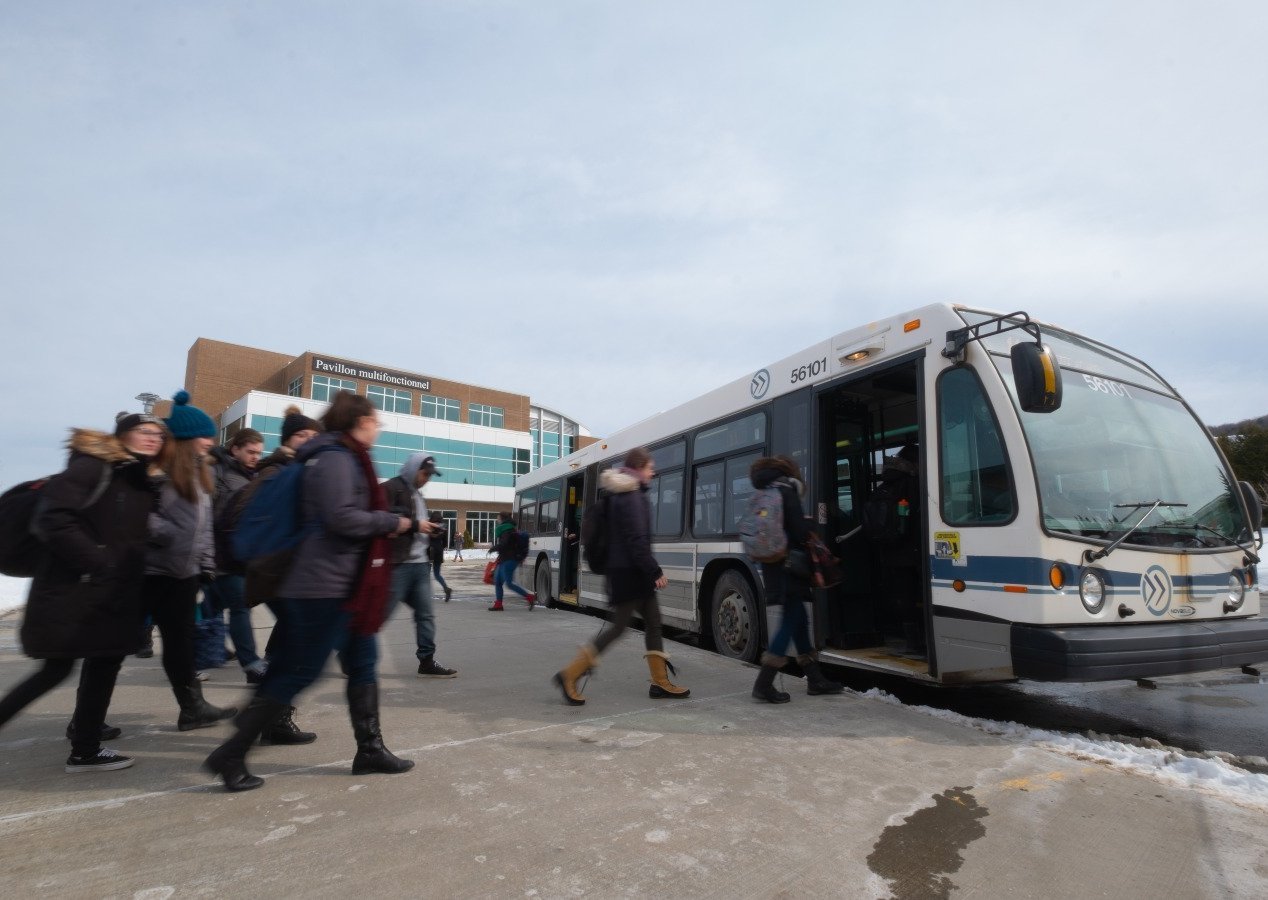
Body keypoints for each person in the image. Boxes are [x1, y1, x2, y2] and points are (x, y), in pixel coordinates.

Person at [204, 391, 415, 792]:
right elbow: (340, 518)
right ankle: (231, 752)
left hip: (344, 585)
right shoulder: (335, 458)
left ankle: (370, 748)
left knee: (364, 661)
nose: (378, 427)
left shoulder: (340, 456)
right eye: (375, 420)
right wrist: (390, 523)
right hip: (324, 586)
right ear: (359, 421)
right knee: (300, 671)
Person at [0, 411, 163, 772]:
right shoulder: (93, 467)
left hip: (106, 595)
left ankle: (86, 748)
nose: (152, 437)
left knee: (104, 663)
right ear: (122, 436)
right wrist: (100, 561)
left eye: (158, 433)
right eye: (143, 431)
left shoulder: (135, 479)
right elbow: (53, 518)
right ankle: (85, 748)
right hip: (74, 591)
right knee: (56, 669)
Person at [553, 447, 688, 705]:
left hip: (628, 572)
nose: (653, 471)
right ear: (638, 470)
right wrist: (655, 570)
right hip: (630, 574)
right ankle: (569, 675)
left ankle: (660, 682)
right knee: (618, 627)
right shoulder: (632, 498)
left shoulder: (622, 495)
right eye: (650, 467)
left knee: (654, 622)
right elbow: (636, 541)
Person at [144, 391, 239, 730]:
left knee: (179, 643)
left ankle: (192, 707)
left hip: (184, 573)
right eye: (204, 434)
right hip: (155, 571)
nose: (210, 440)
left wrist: (207, 564)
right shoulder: (157, 473)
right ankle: (85, 726)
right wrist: (168, 535)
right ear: (185, 438)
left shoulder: (201, 473)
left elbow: (204, 528)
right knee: (114, 649)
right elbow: (140, 518)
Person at [239, 405, 323, 745]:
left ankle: (270, 718)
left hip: (291, 573)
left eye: (314, 436)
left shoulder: (297, 469)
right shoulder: (275, 472)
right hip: (279, 573)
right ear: (288, 440)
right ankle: (264, 718)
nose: (309, 441)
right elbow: (250, 516)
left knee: (290, 646)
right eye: (302, 435)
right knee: (296, 649)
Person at [749, 455, 844, 702]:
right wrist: (808, 526)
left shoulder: (763, 493)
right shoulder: (786, 490)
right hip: (791, 568)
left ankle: (815, 679)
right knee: (792, 620)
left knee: (799, 619)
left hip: (774, 566)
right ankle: (764, 683)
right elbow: (800, 533)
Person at [383, 454, 457, 678]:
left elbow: (418, 527)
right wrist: (415, 525)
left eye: (430, 476)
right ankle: (349, 653)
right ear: (413, 469)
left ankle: (426, 661)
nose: (427, 479)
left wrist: (431, 529)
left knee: (425, 615)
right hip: (398, 565)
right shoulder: (390, 488)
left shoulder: (419, 497)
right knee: (379, 614)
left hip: (420, 565)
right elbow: (378, 520)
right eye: (424, 474)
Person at [203, 428, 266, 682]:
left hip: (237, 555)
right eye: (250, 452)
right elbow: (207, 514)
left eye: (259, 453)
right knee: (240, 607)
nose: (255, 457)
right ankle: (251, 664)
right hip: (222, 555)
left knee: (210, 609)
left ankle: (196, 654)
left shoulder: (249, 476)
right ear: (235, 449)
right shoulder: (218, 473)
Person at [487, 511, 535, 611]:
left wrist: (493, 548)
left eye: (498, 518)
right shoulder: (507, 529)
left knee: (509, 583)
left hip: (510, 560)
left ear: (502, 519)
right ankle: (498, 604)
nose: (497, 520)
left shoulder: (507, 530)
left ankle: (529, 597)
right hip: (504, 559)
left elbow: (504, 544)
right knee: (498, 581)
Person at [427, 511, 453, 602]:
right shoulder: (443, 527)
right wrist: (441, 548)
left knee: (425, 573)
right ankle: (446, 589)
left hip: (429, 551)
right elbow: (445, 542)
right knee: (437, 574)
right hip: (438, 551)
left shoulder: (429, 526)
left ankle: (424, 594)